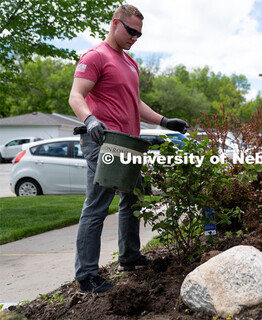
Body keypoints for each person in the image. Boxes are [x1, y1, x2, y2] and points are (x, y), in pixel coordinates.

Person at [68, 4, 189, 293]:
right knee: (97, 207)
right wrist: (90, 118)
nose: (135, 37)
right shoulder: (95, 56)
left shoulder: (130, 63)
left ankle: (130, 256)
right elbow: (76, 95)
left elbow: (134, 102)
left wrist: (163, 121)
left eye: (139, 34)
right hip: (104, 141)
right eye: (131, 31)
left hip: (128, 142)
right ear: (115, 24)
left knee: (133, 199)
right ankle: (86, 276)